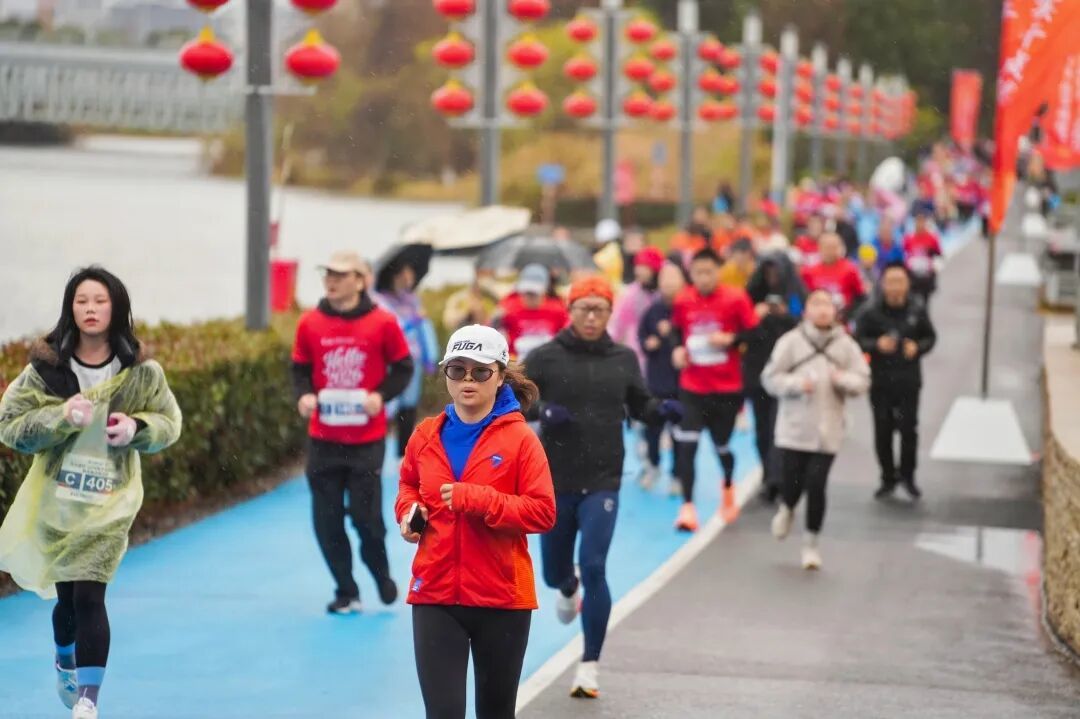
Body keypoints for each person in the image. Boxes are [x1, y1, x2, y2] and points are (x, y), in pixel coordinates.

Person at [0, 267, 182, 719]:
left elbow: (169, 423)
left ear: (116, 307)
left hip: (111, 502)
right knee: (66, 602)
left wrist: (137, 427)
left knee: (90, 596)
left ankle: (88, 699)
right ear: (70, 309)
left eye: (100, 301)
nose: (91, 310)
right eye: (82, 301)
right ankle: (64, 653)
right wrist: (62, 416)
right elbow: (11, 425)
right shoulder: (46, 370)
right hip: (58, 502)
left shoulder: (140, 371)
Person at [525, 276, 682, 699]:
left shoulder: (623, 358)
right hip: (554, 480)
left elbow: (640, 405)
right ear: (570, 311)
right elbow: (510, 399)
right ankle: (566, 587)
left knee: (593, 565)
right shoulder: (544, 357)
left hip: (603, 479)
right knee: (555, 571)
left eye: (600, 309)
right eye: (584, 308)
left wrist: (660, 410)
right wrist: (544, 410)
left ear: (611, 312)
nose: (592, 317)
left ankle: (589, 665)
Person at [395, 324, 555, 719]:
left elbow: (542, 511)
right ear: (445, 374)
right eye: (457, 369)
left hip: (501, 598)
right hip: (435, 594)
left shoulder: (521, 440)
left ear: (500, 376)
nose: (468, 380)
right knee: (444, 713)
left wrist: (479, 499)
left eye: (480, 371)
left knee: (495, 713)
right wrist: (408, 513)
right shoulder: (424, 435)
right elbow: (408, 486)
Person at [292, 250, 414, 614]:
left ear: (360, 281)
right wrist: (304, 397)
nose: (332, 280)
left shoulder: (382, 322)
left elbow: (403, 368)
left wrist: (381, 396)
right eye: (328, 274)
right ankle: (346, 590)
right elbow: (300, 369)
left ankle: (380, 574)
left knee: (367, 521)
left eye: (341, 275)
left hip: (366, 441)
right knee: (326, 522)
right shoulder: (310, 323)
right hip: (323, 440)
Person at [762, 289, 870, 570]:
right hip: (794, 428)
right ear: (806, 310)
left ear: (835, 311)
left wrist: (843, 380)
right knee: (791, 481)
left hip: (829, 429)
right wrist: (796, 385)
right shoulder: (791, 342)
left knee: (817, 484)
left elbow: (862, 379)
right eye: (816, 304)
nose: (823, 309)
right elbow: (770, 378)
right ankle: (787, 508)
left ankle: (811, 544)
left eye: (827, 304)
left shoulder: (845, 344)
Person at [671, 248, 759, 532]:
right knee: (687, 445)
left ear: (718, 271)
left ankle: (728, 486)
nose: (704, 278)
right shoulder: (683, 299)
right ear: (691, 274)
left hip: (726, 388)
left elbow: (754, 333)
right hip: (692, 386)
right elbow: (676, 332)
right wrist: (677, 351)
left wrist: (731, 339)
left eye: (709, 271)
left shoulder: (735, 298)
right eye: (698, 272)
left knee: (721, 444)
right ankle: (687, 507)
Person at [854, 263, 937, 499]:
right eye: (890, 282)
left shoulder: (917, 309)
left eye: (900, 281)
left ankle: (908, 476)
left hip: (909, 379)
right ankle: (887, 476)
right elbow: (858, 339)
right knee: (883, 429)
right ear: (883, 284)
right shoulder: (870, 311)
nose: (895, 287)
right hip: (881, 380)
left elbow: (930, 337)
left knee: (909, 429)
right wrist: (876, 345)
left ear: (907, 284)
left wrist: (917, 348)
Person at [742, 253, 804, 501]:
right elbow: (742, 331)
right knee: (762, 429)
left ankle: (779, 478)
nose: (772, 278)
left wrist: (782, 315)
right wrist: (755, 316)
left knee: (780, 427)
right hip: (757, 371)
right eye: (767, 273)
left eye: (776, 272)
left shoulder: (796, 294)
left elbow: (803, 326)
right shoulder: (752, 296)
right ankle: (768, 474)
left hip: (786, 372)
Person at [374, 258, 440, 463]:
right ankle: (379, 448)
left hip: (413, 359)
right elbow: (390, 326)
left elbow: (424, 330)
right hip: (391, 359)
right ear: (395, 275)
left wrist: (430, 356)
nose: (409, 277)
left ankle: (402, 453)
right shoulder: (380, 299)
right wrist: (409, 323)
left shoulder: (412, 299)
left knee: (409, 405)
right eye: (405, 272)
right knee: (388, 405)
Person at [638, 262, 688, 493]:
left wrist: (675, 334)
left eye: (673, 277)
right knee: (652, 429)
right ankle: (653, 465)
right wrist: (649, 343)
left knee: (680, 432)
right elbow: (642, 335)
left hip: (682, 382)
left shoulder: (688, 307)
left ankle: (678, 475)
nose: (668, 282)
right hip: (656, 381)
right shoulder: (653, 310)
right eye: (664, 278)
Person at [495, 263, 569, 362]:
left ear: (544, 291)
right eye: (526, 292)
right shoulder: (508, 307)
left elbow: (566, 336)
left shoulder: (558, 309)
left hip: (549, 361)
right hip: (516, 362)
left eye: (534, 293)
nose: (529, 297)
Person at [609, 246, 664, 371]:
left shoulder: (663, 293)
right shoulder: (630, 294)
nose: (638, 271)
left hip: (661, 353)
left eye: (644, 266)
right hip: (636, 353)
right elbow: (617, 325)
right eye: (637, 266)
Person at [800, 232, 866, 320]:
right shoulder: (809, 272)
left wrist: (849, 314)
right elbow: (805, 297)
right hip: (817, 316)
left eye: (833, 247)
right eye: (826, 247)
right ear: (819, 248)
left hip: (843, 317)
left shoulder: (850, 269)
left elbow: (860, 296)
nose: (830, 251)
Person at [902, 208, 943, 304]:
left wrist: (930, 252)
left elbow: (939, 254)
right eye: (918, 221)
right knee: (912, 298)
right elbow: (904, 253)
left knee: (925, 299)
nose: (920, 224)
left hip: (926, 274)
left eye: (922, 221)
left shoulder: (932, 238)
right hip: (913, 274)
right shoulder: (909, 238)